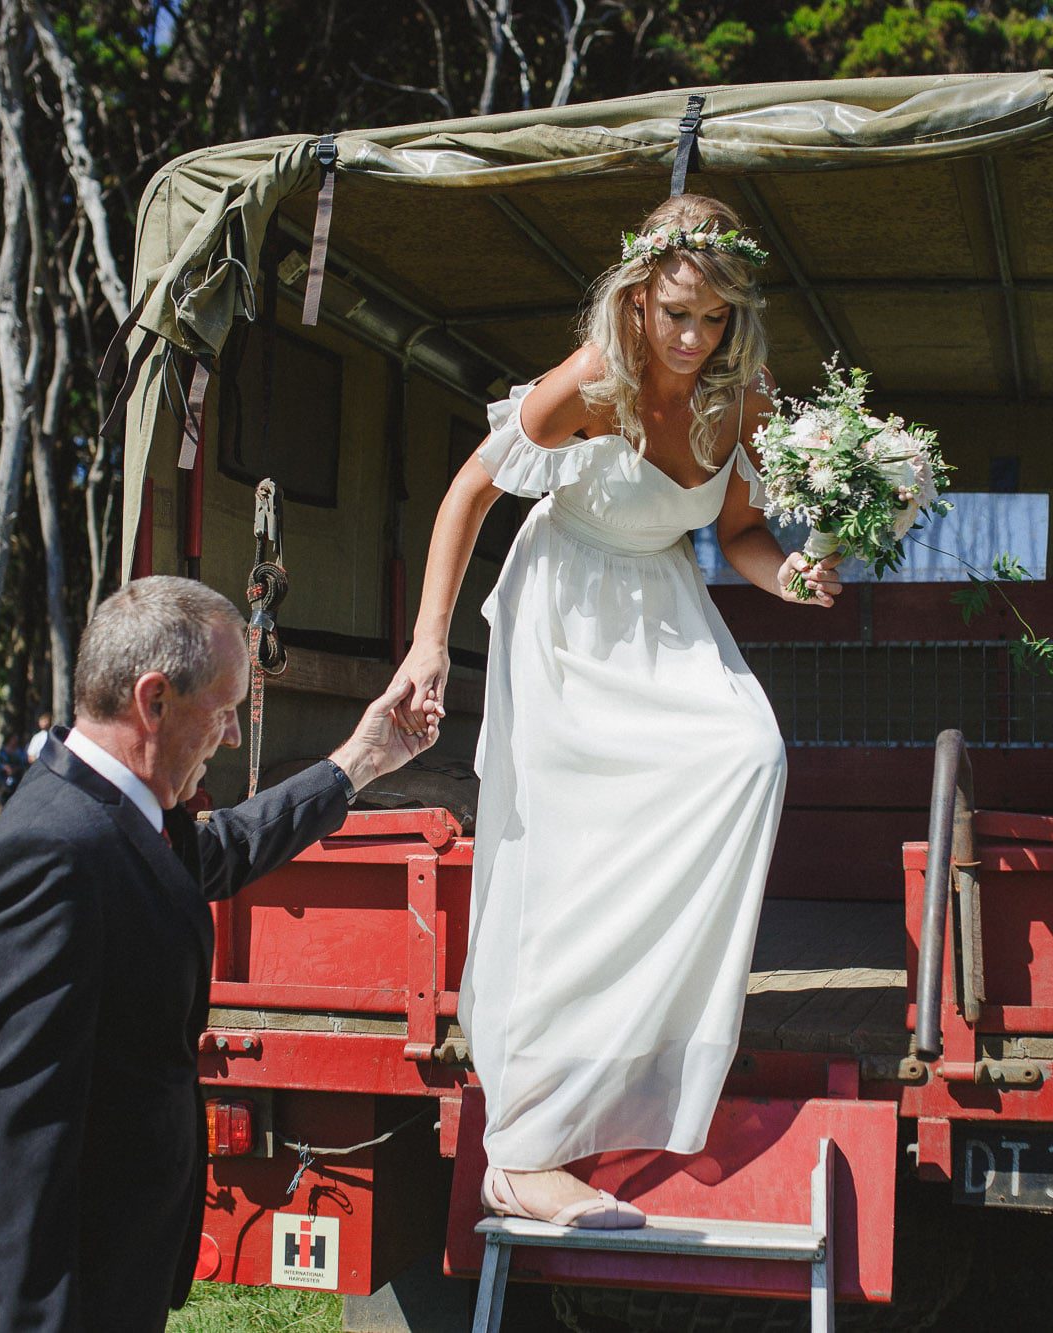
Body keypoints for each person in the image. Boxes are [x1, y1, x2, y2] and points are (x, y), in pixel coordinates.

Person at [386, 195, 842, 1228]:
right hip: (564, 610)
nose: (691, 338)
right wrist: (426, 641)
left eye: (713, 320)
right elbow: (468, 492)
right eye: (675, 313)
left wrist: (794, 576)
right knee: (563, 853)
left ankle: (643, 1039)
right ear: (637, 298)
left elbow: (738, 535)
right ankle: (523, 1148)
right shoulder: (589, 384)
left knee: (748, 756)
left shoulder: (743, 401)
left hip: (663, 607)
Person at [0, 575, 442, 1333]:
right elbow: (4, 1132)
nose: (232, 738)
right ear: (153, 701)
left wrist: (360, 760)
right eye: (222, 712)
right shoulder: (53, 853)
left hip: (108, 1277)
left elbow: (225, 847)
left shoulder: (121, 815)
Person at [0, 732, 28, 805]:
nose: (15, 741)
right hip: (2, 779)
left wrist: (16, 770)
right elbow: (0, 764)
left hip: (16, 779)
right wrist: (7, 768)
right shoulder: (3, 751)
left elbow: (23, 764)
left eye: (16, 739)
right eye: (13, 739)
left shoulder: (20, 752)